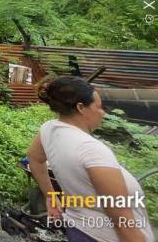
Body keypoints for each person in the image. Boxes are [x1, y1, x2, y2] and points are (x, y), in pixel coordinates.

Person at [27, 75, 154, 242]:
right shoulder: (91, 149)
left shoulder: (49, 129)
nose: (102, 113)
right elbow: (119, 214)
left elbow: (33, 157)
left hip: (79, 229)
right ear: (81, 107)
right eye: (99, 107)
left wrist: (51, 195)